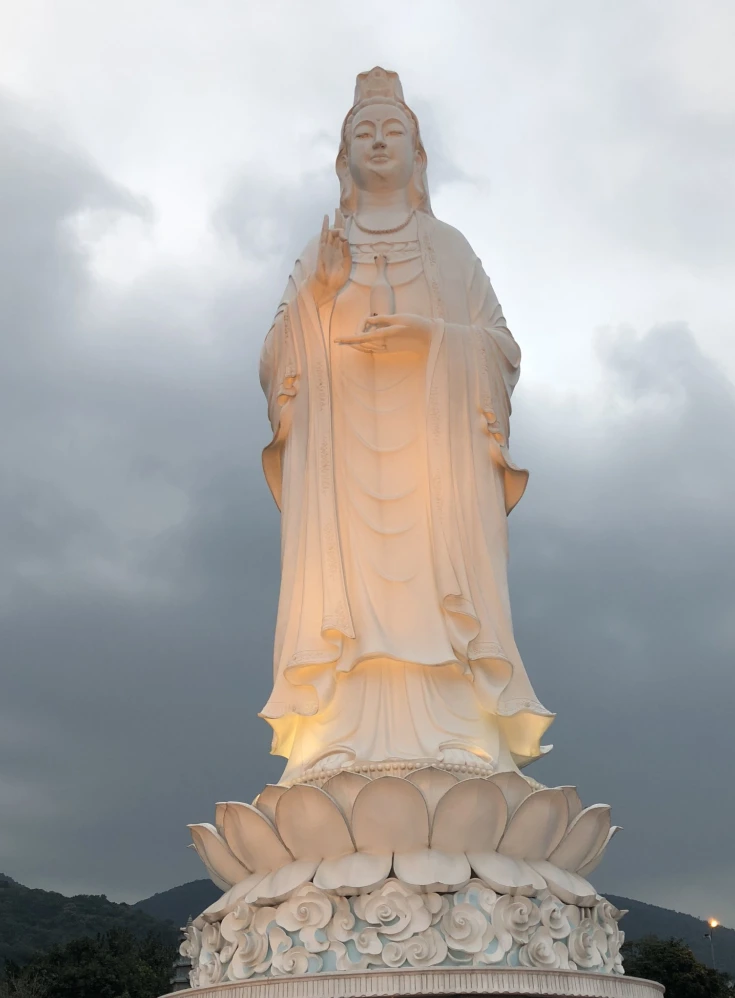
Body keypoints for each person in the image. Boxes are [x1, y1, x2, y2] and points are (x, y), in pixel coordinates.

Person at [258, 66, 553, 785]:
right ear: (344, 156)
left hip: (432, 459)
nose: (380, 141)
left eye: (394, 131)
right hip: (345, 465)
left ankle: (456, 730)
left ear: (418, 154)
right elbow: (274, 362)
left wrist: (432, 336)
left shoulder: (447, 247)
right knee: (349, 596)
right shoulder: (320, 250)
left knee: (433, 586)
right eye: (365, 132)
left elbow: (501, 346)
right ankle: (339, 736)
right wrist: (318, 300)